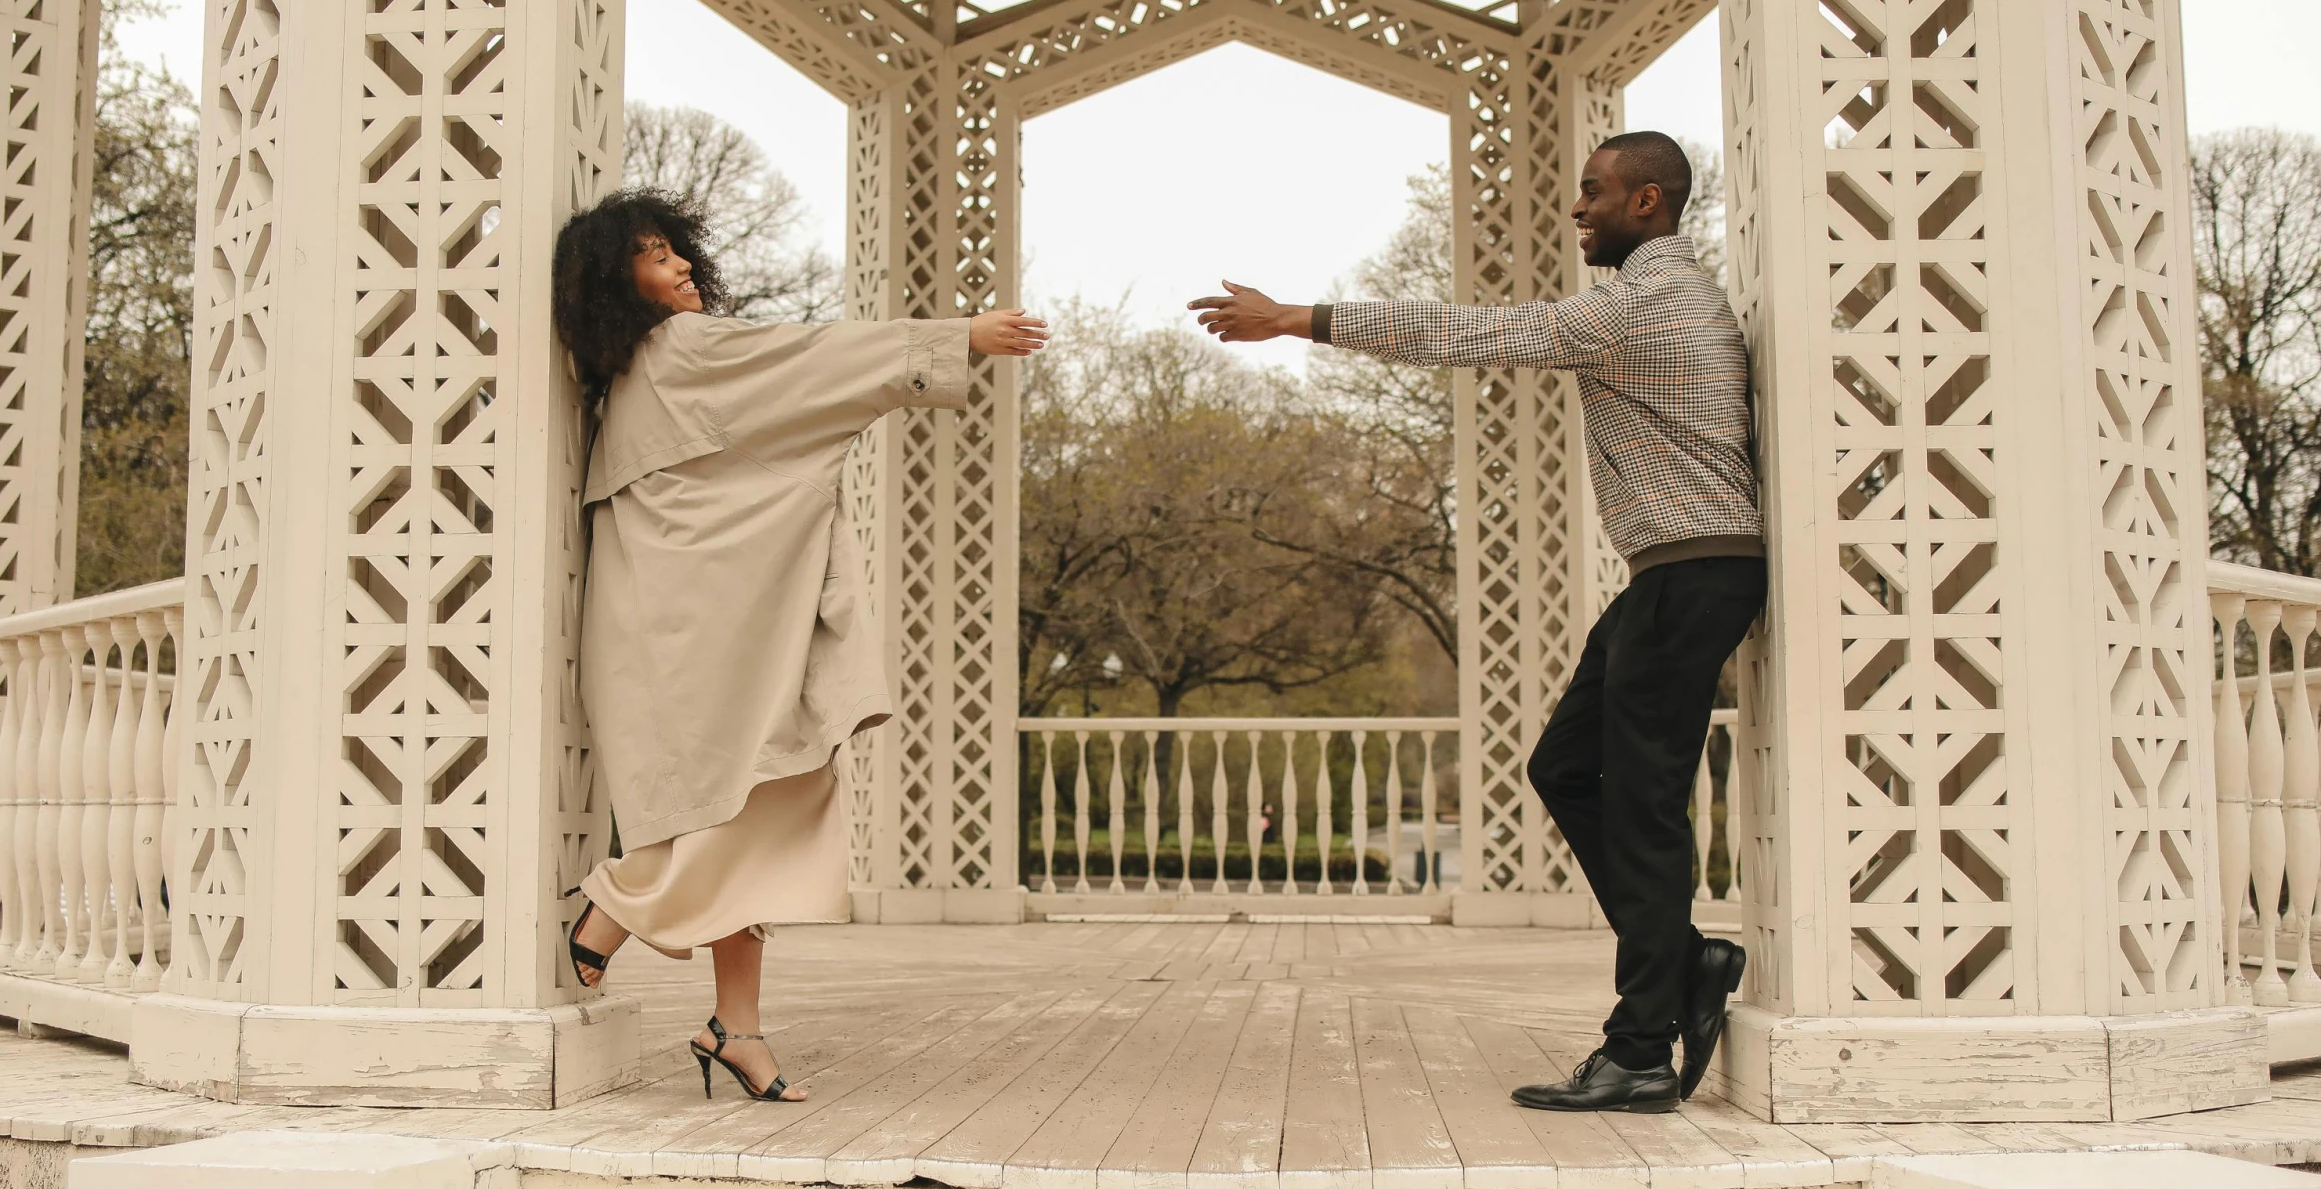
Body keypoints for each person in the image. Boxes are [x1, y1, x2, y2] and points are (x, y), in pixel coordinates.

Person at [1189, 131, 1762, 1114]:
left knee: (1644, 802)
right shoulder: (1655, 295)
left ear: (1648, 203)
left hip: (1696, 572)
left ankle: (1639, 1049)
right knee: (1566, 768)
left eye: (1594, 193)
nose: (1578, 209)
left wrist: (1301, 317)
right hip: (1664, 576)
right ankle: (1685, 960)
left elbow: (1480, 334)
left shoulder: (1641, 301)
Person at [553, 189, 1046, 1102]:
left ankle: (733, 1026)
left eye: (678, 250)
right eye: (657, 256)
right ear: (616, 283)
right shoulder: (680, 350)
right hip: (699, 627)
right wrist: (960, 336)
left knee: (758, 796)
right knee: (736, 798)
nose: (683, 266)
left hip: (698, 621)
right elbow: (813, 356)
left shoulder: (640, 372)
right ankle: (614, 909)